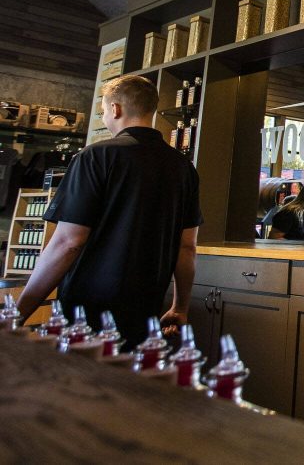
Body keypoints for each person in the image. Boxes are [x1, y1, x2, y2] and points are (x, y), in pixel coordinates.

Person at [17, 75, 202, 347]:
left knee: (78, 385)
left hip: (89, 309)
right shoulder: (183, 168)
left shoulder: (94, 157)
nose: (105, 117)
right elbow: (187, 248)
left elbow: (68, 242)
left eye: (103, 111)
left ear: (115, 109)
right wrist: (180, 307)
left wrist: (18, 313)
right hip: (145, 308)